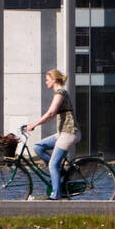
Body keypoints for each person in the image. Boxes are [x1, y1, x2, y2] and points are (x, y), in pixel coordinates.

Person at [26, 68, 82, 199]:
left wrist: (34, 124)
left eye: (47, 80)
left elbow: (51, 113)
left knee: (52, 164)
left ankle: (56, 194)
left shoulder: (60, 93)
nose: (45, 82)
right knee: (38, 147)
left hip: (69, 133)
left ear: (54, 80)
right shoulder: (58, 93)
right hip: (62, 133)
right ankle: (60, 172)